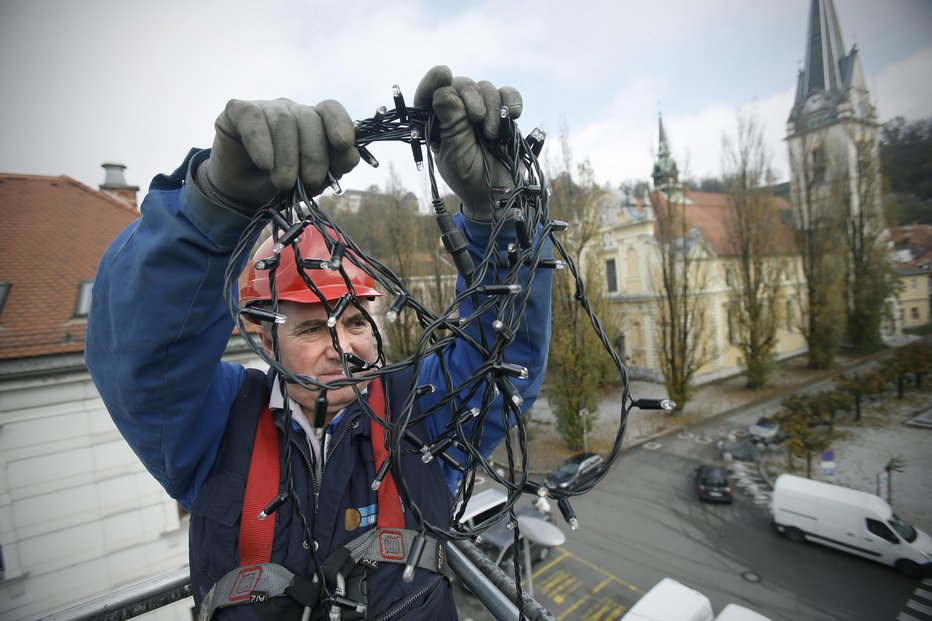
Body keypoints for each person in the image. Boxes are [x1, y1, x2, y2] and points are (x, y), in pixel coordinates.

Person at [86, 65, 553, 620]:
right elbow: (143, 357)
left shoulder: (417, 415)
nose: (344, 346)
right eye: (311, 327)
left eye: (357, 322)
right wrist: (212, 209)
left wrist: (498, 214)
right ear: (263, 336)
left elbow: (502, 356)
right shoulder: (216, 430)